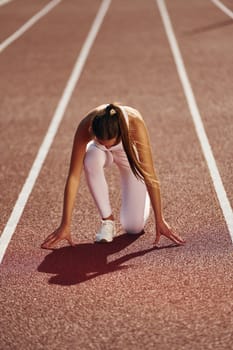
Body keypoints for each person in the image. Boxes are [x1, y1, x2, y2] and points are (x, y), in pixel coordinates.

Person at [41, 103, 185, 248]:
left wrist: (159, 219)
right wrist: (65, 224)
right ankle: (107, 221)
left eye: (110, 144)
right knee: (91, 158)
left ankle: (142, 193)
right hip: (100, 155)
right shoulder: (86, 126)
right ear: (93, 132)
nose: (108, 147)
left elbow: (150, 173)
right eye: (102, 143)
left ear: (121, 133)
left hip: (128, 157)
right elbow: (73, 176)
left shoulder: (135, 123)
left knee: (133, 228)